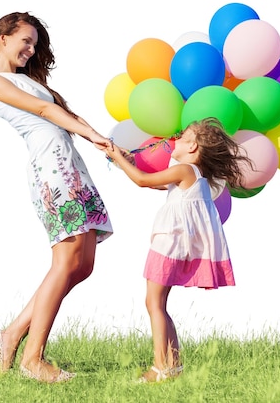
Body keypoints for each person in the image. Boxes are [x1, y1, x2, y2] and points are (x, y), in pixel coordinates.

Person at [0, 12, 114, 383]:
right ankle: (32, 359)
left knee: (82, 263)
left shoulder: (28, 80)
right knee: (66, 259)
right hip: (52, 169)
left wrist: (98, 139)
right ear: (3, 37)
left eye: (35, 44)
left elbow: (61, 111)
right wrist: (90, 135)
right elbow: (43, 110)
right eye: (25, 40)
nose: (30, 48)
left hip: (70, 164)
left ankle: (10, 336)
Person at [103, 117, 252, 383]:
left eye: (183, 137)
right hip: (174, 244)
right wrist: (125, 161)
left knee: (154, 303)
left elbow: (142, 181)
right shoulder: (193, 175)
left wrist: (116, 154)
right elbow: (157, 182)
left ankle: (160, 367)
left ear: (193, 147)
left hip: (168, 243)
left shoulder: (185, 170)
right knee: (158, 303)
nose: (176, 139)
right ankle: (173, 364)